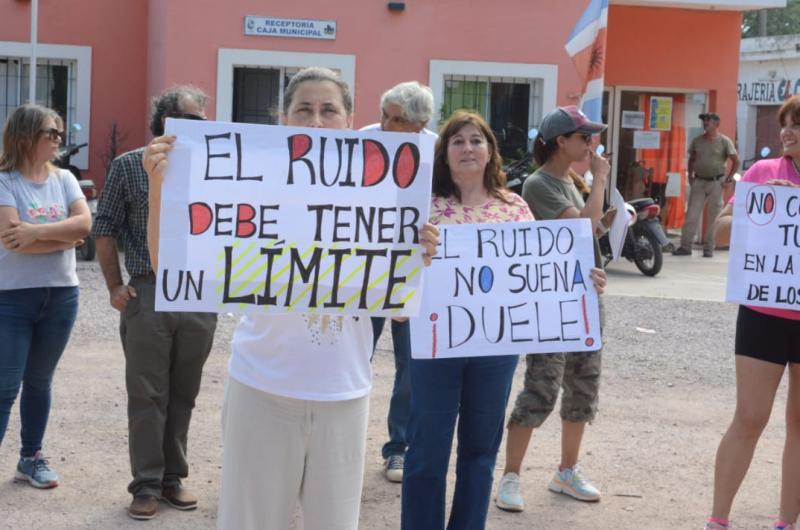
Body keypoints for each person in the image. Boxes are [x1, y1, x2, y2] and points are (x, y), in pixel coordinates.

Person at [143, 67, 439, 530]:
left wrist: (422, 260)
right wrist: (160, 184)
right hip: (261, 388)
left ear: (349, 119)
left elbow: (401, 309)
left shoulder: (391, 194)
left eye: (328, 110)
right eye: (304, 109)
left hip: (344, 391)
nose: (316, 121)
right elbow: (170, 269)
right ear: (283, 117)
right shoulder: (245, 185)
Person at [400, 110, 607, 530]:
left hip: (495, 351)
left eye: (476, 139)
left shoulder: (514, 206)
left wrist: (582, 279)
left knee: (480, 453)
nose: (467, 148)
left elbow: (543, 269)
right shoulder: (422, 207)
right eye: (457, 141)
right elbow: (396, 274)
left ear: (490, 150)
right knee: (426, 451)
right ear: (444, 153)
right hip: (436, 346)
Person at [93, 85, 218, 520]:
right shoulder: (130, 166)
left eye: (203, 120)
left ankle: (172, 479)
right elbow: (104, 226)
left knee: (185, 392)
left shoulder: (216, 168)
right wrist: (113, 286)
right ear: (164, 121)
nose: (199, 128)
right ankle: (145, 484)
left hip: (200, 292)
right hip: (147, 289)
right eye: (191, 119)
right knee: (147, 393)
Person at [496, 105, 609, 512]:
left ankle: (567, 470)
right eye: (583, 137)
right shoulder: (540, 185)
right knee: (541, 386)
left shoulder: (569, 181)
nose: (590, 143)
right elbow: (581, 226)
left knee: (583, 385)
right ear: (561, 141)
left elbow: (587, 234)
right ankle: (510, 475)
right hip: (551, 302)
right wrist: (600, 181)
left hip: (583, 297)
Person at [702, 96, 800, 530]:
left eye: (797, 125)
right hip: (763, 312)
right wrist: (759, 207)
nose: (787, 132)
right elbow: (719, 232)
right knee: (749, 417)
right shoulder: (762, 174)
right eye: (785, 124)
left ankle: (784, 521)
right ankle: (718, 519)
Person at [0, 104, 91, 488]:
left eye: (58, 133)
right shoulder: (5, 182)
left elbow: (85, 224)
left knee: (39, 381)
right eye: (49, 133)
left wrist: (36, 233)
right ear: (24, 136)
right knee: (5, 385)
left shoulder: (66, 178)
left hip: (61, 295)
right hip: (12, 298)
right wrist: (63, 237)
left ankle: (31, 458)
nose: (57, 140)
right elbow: (10, 240)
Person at [361, 80, 436, 482]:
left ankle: (398, 448)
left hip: (414, 273)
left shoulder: (437, 150)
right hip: (363, 272)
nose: (385, 125)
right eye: (384, 114)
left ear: (420, 123)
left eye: (396, 120)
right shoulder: (362, 142)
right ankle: (343, 441)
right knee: (353, 356)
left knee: (411, 366)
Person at [673, 112, 739, 258]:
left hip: (717, 182)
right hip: (699, 181)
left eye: (708, 120)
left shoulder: (724, 141)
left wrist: (728, 179)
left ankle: (709, 248)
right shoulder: (697, 141)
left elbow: (736, 161)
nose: (705, 123)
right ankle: (685, 247)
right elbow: (691, 160)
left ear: (716, 124)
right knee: (691, 215)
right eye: (704, 120)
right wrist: (690, 176)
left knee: (714, 216)